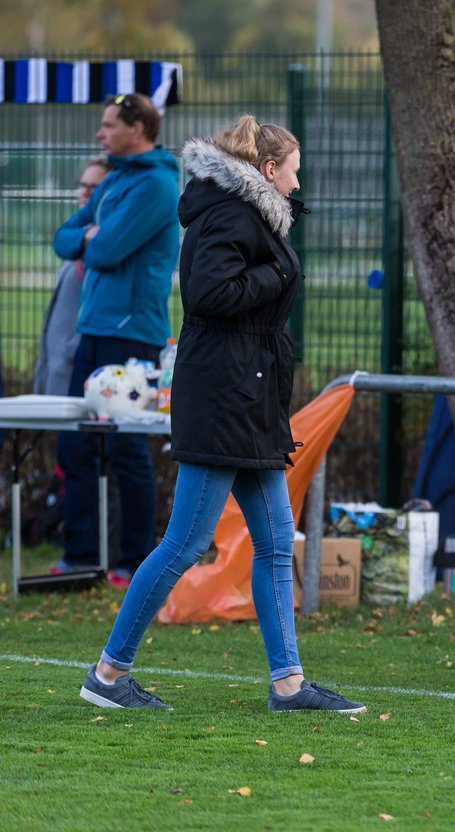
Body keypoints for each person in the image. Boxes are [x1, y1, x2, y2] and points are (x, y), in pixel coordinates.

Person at [79, 116, 364, 714]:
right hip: (225, 396)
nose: (296, 180)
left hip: (249, 398)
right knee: (184, 544)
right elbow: (208, 295)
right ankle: (108, 673)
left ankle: (288, 683)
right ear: (268, 170)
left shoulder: (245, 213)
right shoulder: (231, 214)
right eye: (292, 169)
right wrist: (280, 270)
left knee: (275, 541)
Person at [52, 94, 180, 587]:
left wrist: (90, 237)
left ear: (138, 127)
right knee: (75, 444)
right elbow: (66, 239)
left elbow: (104, 249)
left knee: (127, 451)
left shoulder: (156, 185)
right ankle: (80, 556)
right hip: (92, 333)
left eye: (108, 126)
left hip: (131, 337)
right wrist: (88, 235)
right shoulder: (114, 180)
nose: (100, 134)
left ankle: (134, 562)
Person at [35, 156, 112, 397]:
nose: (85, 193)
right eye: (83, 185)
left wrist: (72, 350)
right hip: (55, 370)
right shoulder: (80, 239)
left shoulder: (107, 245)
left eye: (94, 188)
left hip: (75, 373)